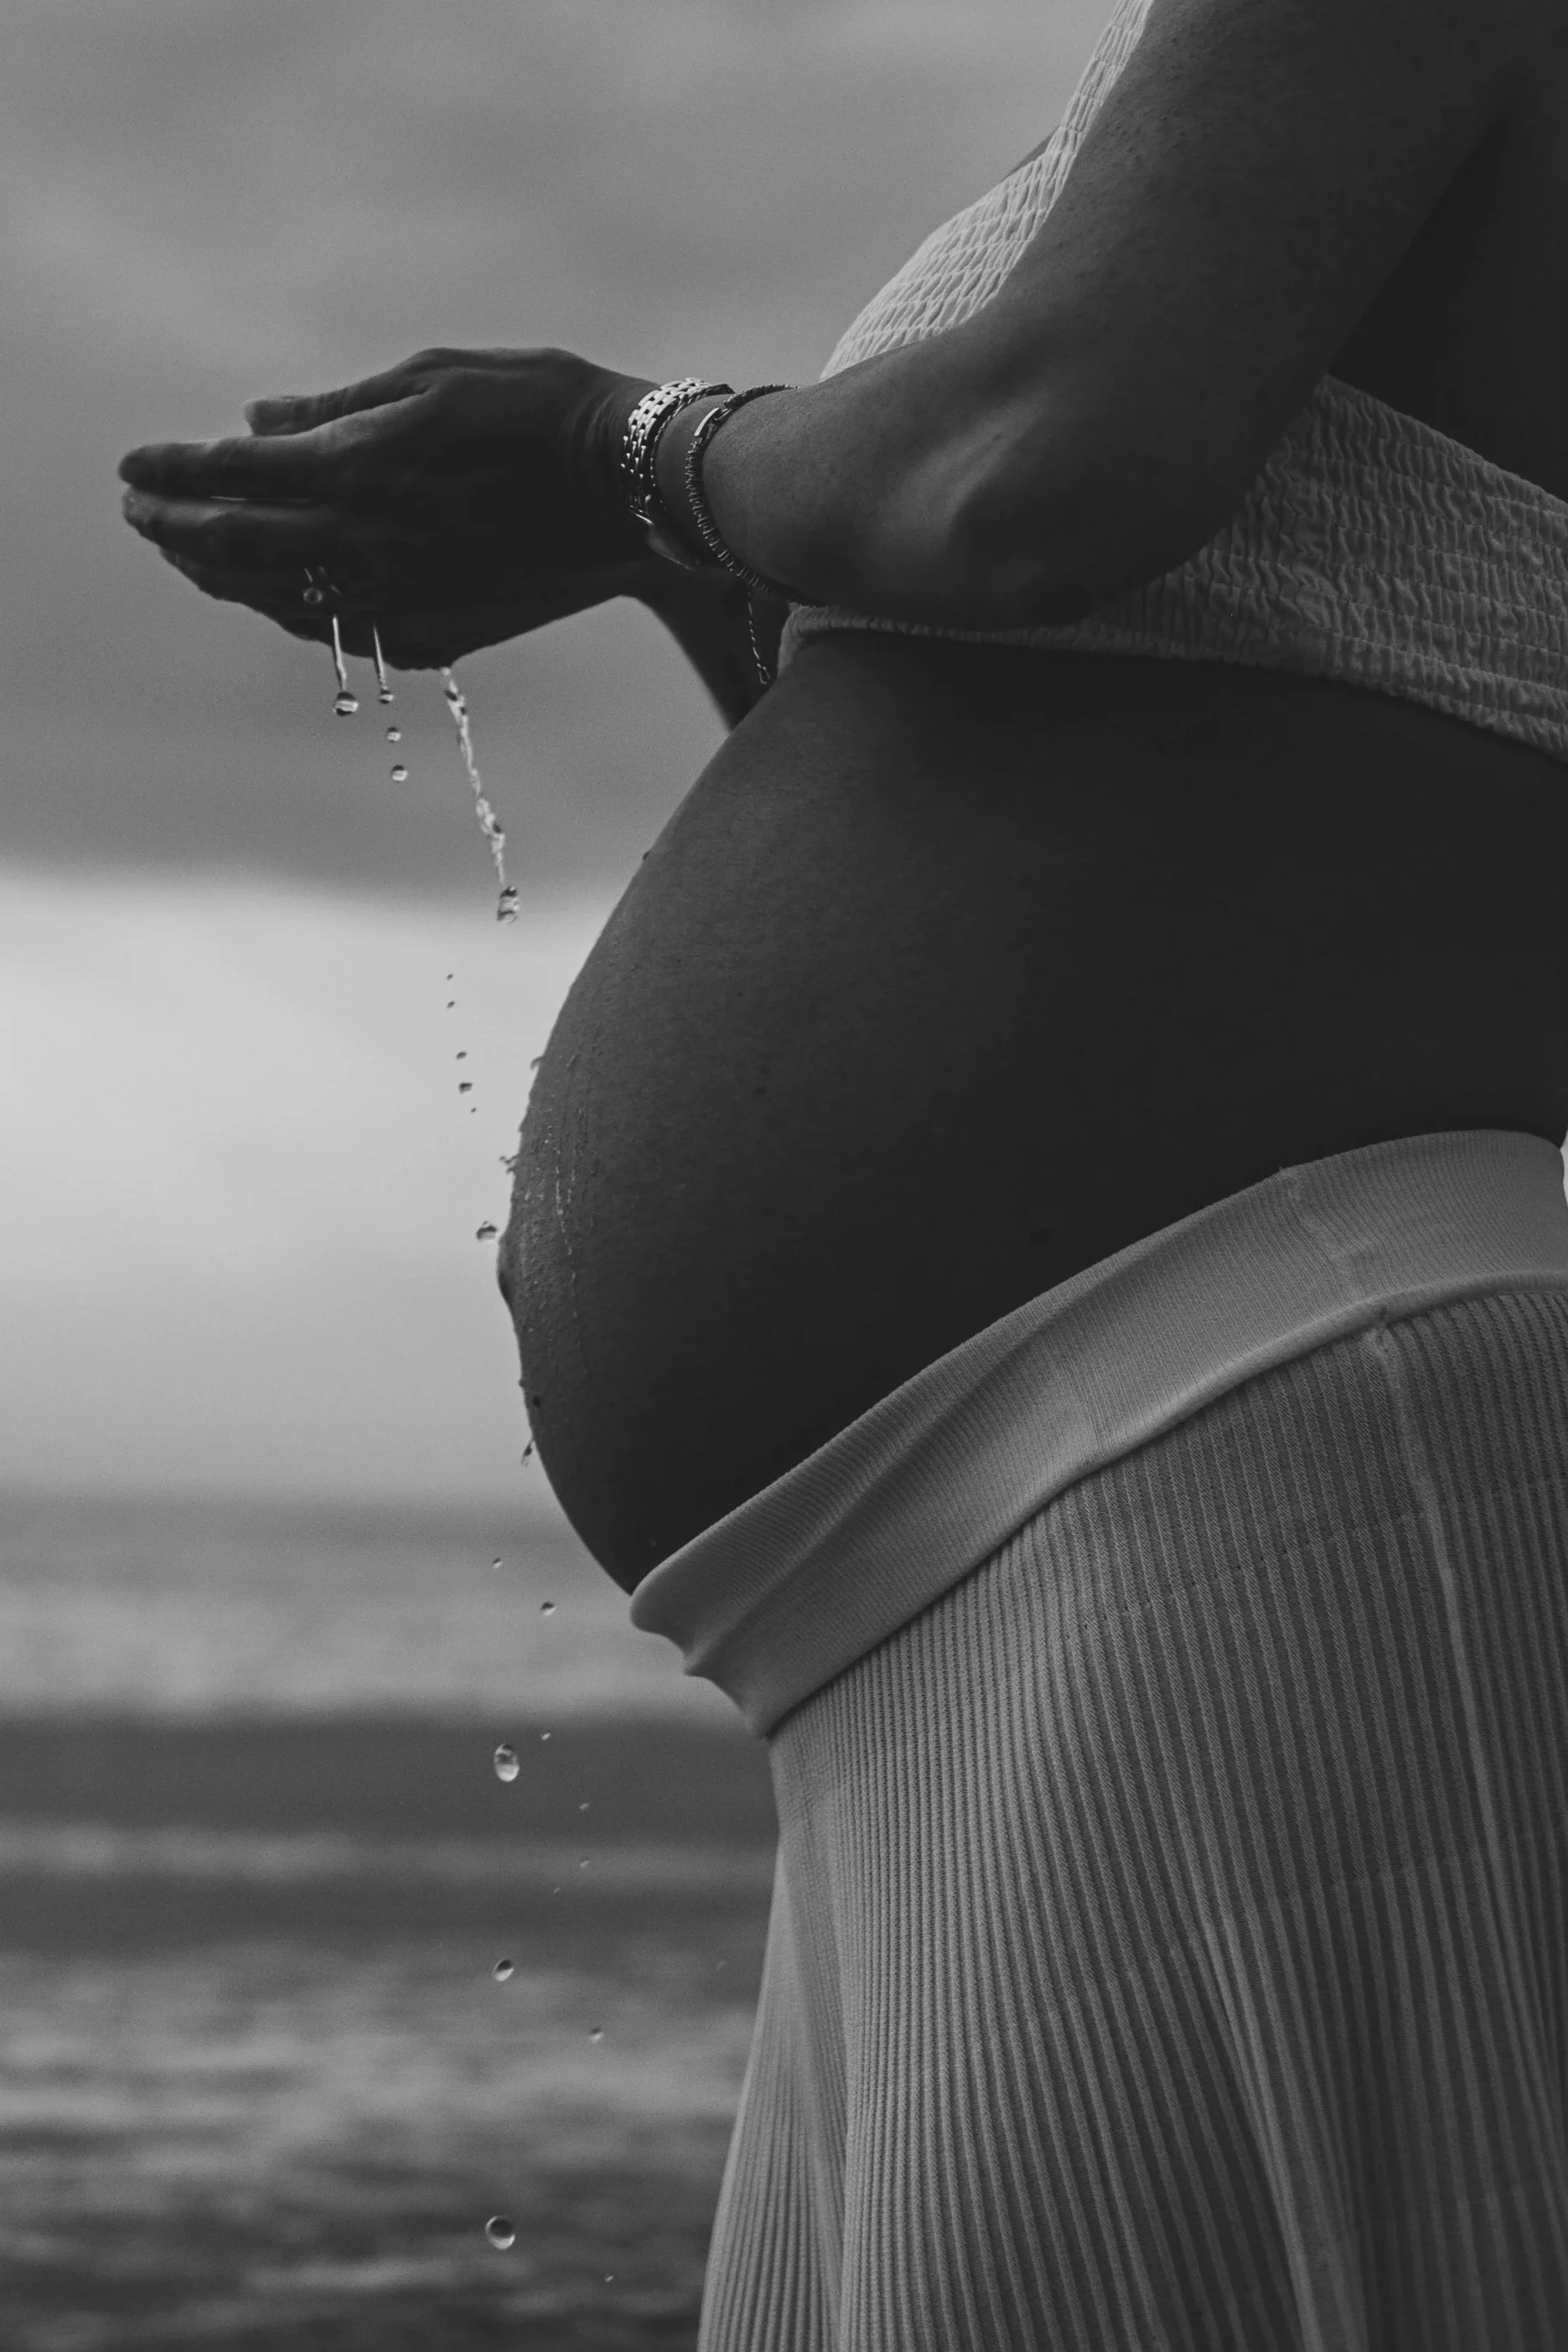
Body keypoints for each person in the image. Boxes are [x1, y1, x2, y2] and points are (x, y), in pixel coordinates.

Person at [120, 0, 1568, 2340]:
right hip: (1044, 1529)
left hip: (1253, 1426)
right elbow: (1006, 701)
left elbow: (1031, 479)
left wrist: (626, 454)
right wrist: (659, 533)